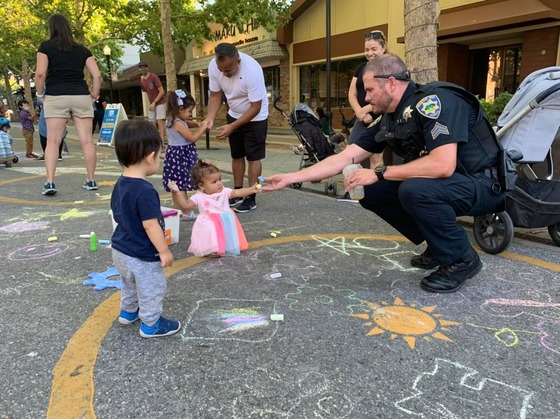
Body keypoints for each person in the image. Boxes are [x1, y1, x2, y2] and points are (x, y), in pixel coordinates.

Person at [263, 53, 508, 294]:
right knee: (368, 189)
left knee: (412, 188)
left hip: (483, 184)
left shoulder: (436, 101)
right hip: (447, 185)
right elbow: (344, 157)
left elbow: (442, 165)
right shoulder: (390, 117)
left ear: (391, 82)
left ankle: (462, 260)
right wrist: (289, 177)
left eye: (369, 90)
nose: (366, 98)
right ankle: (439, 244)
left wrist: (379, 172)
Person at [111, 119, 181, 338]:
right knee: (151, 288)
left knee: (129, 283)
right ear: (151, 156)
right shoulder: (145, 190)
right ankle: (151, 324)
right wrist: (164, 251)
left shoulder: (120, 183)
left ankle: (128, 312)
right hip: (142, 254)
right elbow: (151, 225)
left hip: (120, 250)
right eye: (159, 155)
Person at [35, 13, 102, 196]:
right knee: (87, 141)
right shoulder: (82, 50)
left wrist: (40, 94)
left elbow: (40, 74)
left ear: (52, 28)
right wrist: (94, 95)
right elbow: (97, 75)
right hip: (80, 95)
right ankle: (91, 180)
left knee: (53, 141)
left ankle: (50, 182)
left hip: (56, 95)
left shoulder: (46, 47)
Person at [204, 42, 268, 213]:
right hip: (234, 113)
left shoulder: (252, 71)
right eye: (221, 70)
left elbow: (255, 107)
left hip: (256, 117)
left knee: (254, 158)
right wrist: (210, 118)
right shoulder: (214, 66)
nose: (224, 74)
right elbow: (216, 94)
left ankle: (251, 196)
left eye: (228, 70)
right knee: (237, 155)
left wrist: (232, 127)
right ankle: (238, 192)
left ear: (238, 62)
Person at [167, 160, 260, 257]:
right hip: (208, 220)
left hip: (224, 219)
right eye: (214, 182)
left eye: (220, 179)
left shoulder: (224, 192)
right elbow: (186, 205)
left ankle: (225, 247)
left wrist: (250, 190)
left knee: (226, 234)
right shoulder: (198, 197)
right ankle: (211, 250)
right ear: (201, 186)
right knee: (210, 232)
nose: (219, 183)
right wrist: (176, 193)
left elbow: (237, 193)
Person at [347, 30, 388, 170]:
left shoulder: (389, 67)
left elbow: (387, 95)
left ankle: (376, 189)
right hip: (361, 117)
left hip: (381, 116)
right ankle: (355, 188)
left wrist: (366, 109)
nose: (370, 53)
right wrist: (359, 111)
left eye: (374, 49)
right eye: (366, 50)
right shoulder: (361, 68)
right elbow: (352, 93)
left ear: (383, 47)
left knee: (375, 157)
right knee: (350, 155)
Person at [162, 89, 209, 209]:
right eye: (189, 111)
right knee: (181, 183)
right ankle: (186, 211)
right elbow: (192, 137)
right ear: (180, 109)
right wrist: (202, 127)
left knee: (176, 184)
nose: (190, 114)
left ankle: (180, 208)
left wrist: (197, 124)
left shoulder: (171, 119)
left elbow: (187, 123)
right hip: (182, 155)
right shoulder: (178, 123)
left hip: (174, 155)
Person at [138, 61, 166, 143]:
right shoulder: (142, 81)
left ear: (147, 67)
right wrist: (150, 104)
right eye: (141, 67)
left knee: (160, 121)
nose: (143, 69)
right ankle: (156, 141)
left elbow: (162, 91)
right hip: (152, 104)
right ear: (139, 69)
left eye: (144, 67)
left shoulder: (153, 77)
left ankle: (162, 142)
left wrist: (154, 102)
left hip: (160, 102)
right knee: (152, 123)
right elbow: (147, 93)